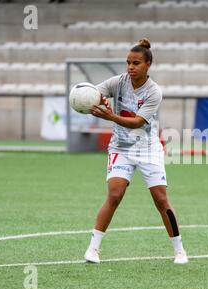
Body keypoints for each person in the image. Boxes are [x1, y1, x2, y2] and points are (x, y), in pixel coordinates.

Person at [83, 38, 189, 265]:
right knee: (114, 195)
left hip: (148, 149)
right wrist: (96, 99)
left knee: (161, 200)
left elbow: (138, 122)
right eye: (128, 63)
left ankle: (179, 250)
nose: (131, 67)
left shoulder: (153, 92)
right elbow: (95, 92)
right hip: (120, 148)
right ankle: (93, 249)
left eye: (136, 63)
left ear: (148, 65)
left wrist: (110, 116)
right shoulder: (118, 82)